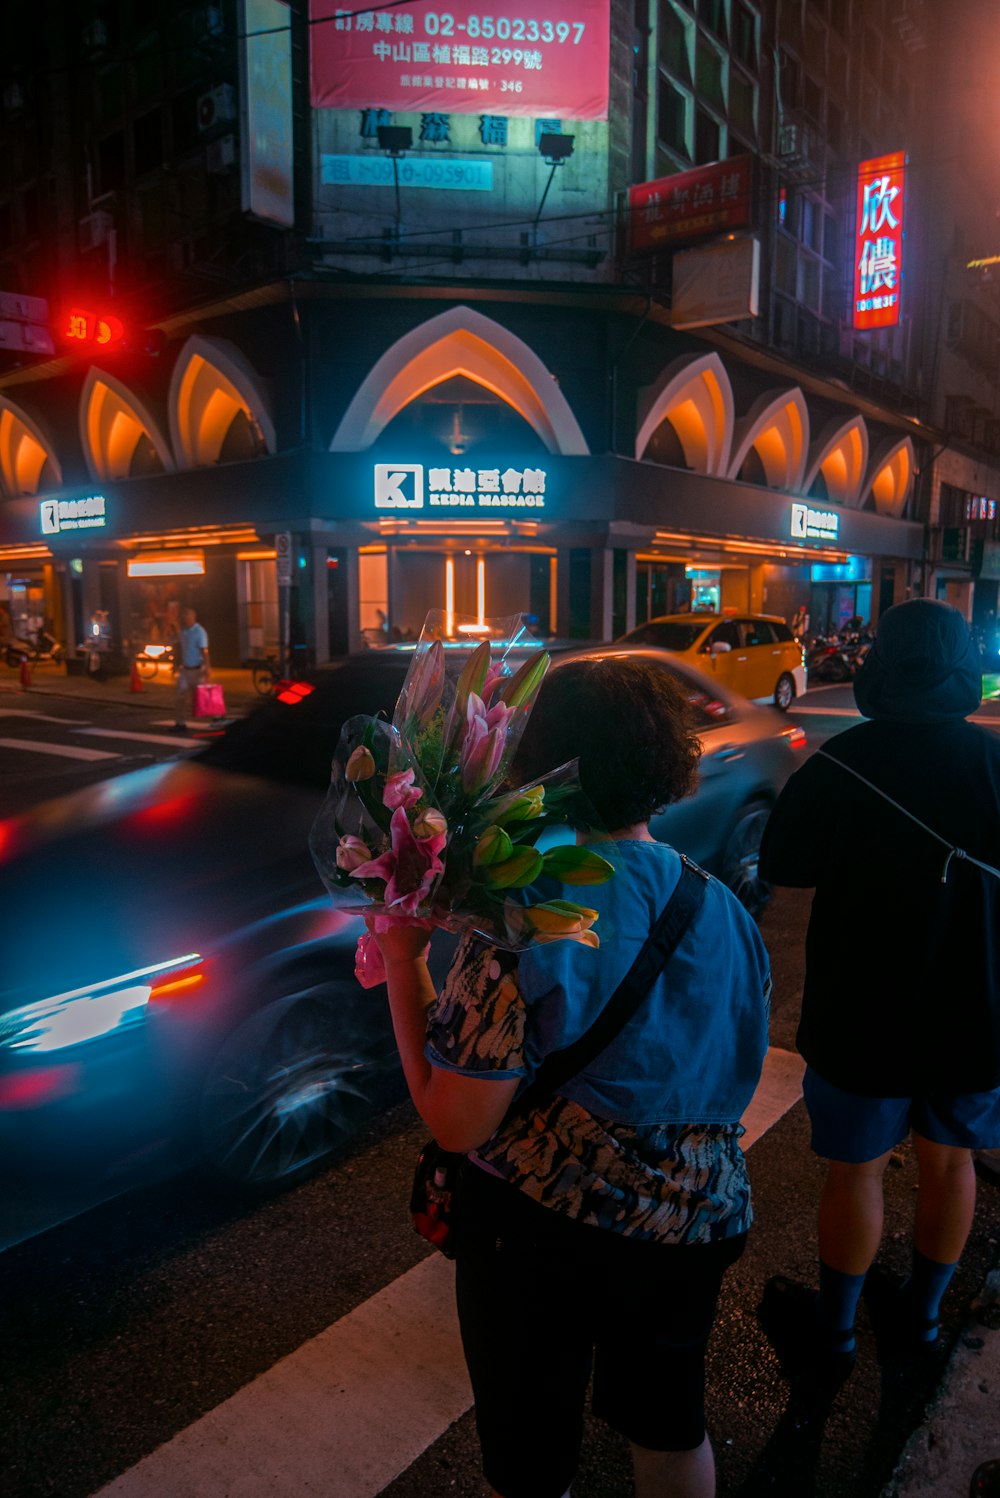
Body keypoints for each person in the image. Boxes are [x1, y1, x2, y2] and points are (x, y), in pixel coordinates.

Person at [370, 656, 771, 1498]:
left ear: (534, 771)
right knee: (668, 1424)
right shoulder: (725, 908)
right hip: (696, 1218)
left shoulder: (535, 915)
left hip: (545, 1231)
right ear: (668, 762)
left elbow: (457, 1122)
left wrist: (405, 966)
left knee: (529, 1445)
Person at [758, 599, 1000, 1375]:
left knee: (855, 1171)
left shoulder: (843, 762)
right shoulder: (995, 762)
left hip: (863, 1011)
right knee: (952, 1162)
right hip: (976, 1012)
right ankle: (922, 1321)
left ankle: (833, 1336)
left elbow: (784, 866)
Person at [172, 606, 210, 730]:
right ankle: (180, 723)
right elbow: (178, 648)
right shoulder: (182, 632)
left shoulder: (199, 631)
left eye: (187, 616)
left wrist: (207, 668)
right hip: (185, 670)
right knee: (180, 697)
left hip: (197, 670)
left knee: (203, 698)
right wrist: (175, 665)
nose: (185, 618)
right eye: (183, 616)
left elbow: (204, 650)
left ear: (193, 617)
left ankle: (218, 716)